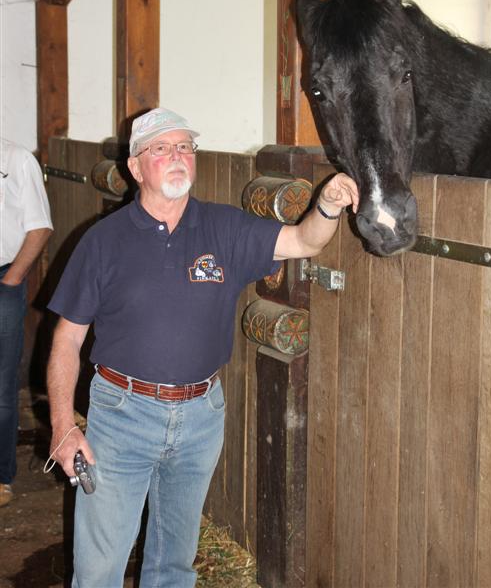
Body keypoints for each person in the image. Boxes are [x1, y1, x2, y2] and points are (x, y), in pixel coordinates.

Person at [46, 107, 359, 587]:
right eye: (162, 149)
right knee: (98, 568)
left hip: (199, 418)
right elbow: (67, 337)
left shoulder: (224, 228)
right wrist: (64, 426)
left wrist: (329, 205)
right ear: (135, 167)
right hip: (120, 414)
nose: (177, 157)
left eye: (185, 148)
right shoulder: (102, 242)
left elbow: (304, 241)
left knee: (174, 565)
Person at [0, 137, 53, 508]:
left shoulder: (15, 159)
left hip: (2, 278)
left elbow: (40, 227)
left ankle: (1, 477)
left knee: (1, 386)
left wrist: (12, 281)